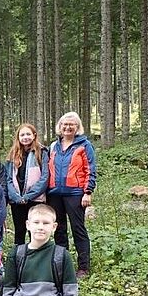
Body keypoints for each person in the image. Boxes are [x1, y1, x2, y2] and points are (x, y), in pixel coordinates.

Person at [46, 112, 96, 278]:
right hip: (54, 194)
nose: (67, 127)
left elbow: (90, 169)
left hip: (75, 193)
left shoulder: (84, 145)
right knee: (59, 229)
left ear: (77, 127)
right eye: (64, 125)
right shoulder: (54, 146)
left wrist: (87, 192)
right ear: (60, 127)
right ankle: (63, 264)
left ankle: (84, 267)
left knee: (78, 229)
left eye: (71, 125)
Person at [6, 123, 49, 246]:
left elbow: (44, 177)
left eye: (28, 134)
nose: (25, 137)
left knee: (35, 232)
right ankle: (19, 258)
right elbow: (8, 178)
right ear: (18, 137)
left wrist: (28, 196)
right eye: (22, 134)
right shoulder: (13, 154)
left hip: (35, 200)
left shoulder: (42, 152)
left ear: (34, 135)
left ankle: (35, 258)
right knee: (19, 231)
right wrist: (15, 197)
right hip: (17, 201)